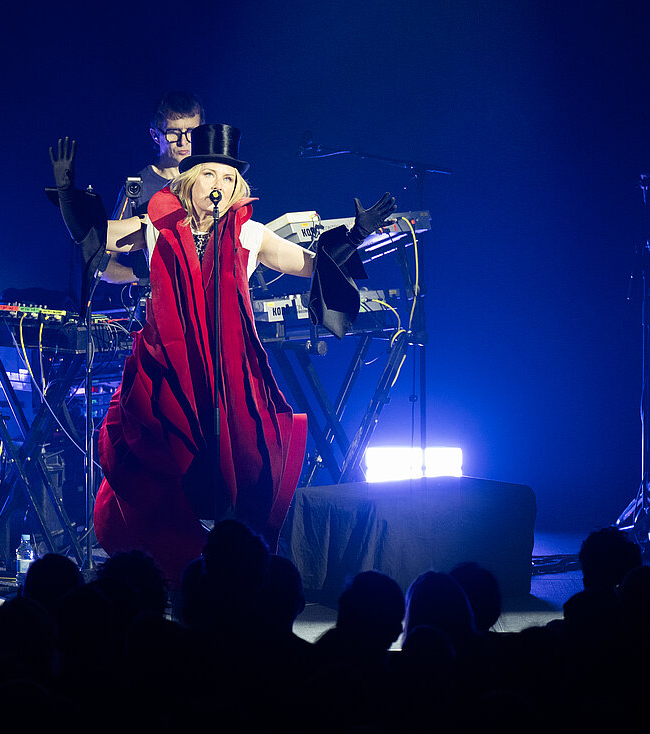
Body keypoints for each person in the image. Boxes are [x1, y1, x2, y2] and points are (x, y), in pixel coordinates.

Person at [49, 125, 395, 584]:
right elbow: (99, 237)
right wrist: (69, 194)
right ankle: (165, 569)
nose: (219, 186)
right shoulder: (156, 227)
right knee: (162, 466)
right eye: (209, 175)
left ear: (237, 189)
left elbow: (311, 265)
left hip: (229, 372)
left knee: (240, 465)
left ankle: (231, 571)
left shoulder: (251, 234)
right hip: (166, 369)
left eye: (228, 179)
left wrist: (357, 234)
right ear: (189, 180)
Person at [102, 91, 204, 284]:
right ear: (155, 135)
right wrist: (147, 277)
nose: (184, 142)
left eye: (191, 132)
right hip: (156, 306)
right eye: (173, 132)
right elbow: (105, 265)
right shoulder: (137, 187)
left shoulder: (211, 180)